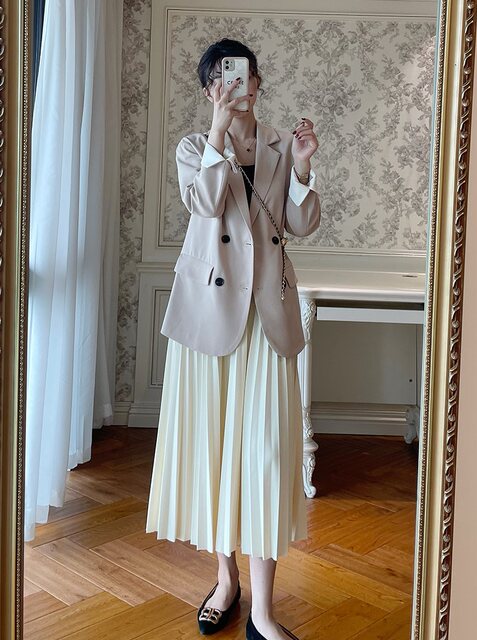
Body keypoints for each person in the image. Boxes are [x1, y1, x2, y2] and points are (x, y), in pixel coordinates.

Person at [146, 38, 321, 640]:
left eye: (244, 74)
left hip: (266, 315)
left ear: (258, 81)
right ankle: (226, 582)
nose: (236, 85)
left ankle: (264, 614)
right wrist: (219, 133)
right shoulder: (194, 147)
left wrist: (302, 168)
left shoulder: (278, 144)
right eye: (222, 78)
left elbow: (301, 223)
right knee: (217, 451)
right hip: (211, 317)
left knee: (266, 456)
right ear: (209, 90)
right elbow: (203, 203)